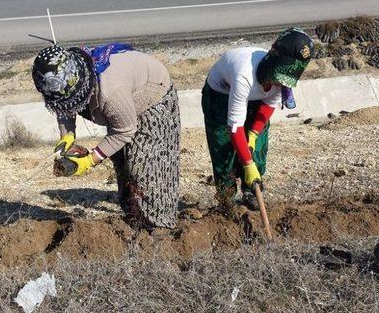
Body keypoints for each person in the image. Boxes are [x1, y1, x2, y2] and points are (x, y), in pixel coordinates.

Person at [31, 43, 180, 229]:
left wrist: (89, 161)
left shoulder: (111, 92)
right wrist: (67, 136)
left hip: (153, 99)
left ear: (83, 86)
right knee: (122, 162)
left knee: (145, 166)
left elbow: (124, 130)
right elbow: (64, 106)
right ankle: (134, 216)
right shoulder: (69, 80)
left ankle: (159, 225)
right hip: (124, 104)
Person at [201, 28, 314, 211]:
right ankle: (226, 199)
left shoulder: (284, 79)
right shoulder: (244, 75)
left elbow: (268, 106)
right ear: (273, 57)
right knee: (224, 147)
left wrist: (253, 134)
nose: (280, 83)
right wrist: (247, 163)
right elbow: (235, 129)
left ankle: (251, 190)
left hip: (255, 97)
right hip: (220, 94)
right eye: (279, 77)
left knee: (257, 146)